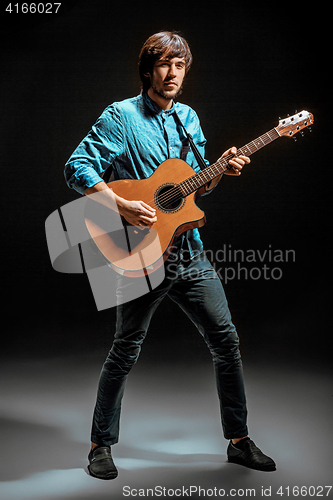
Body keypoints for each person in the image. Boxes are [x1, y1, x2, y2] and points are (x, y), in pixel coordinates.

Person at [64, 31, 276, 480]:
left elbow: (194, 189)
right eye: (165, 64)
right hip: (139, 254)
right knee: (125, 350)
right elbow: (76, 167)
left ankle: (238, 441)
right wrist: (118, 203)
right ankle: (100, 446)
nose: (173, 73)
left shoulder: (188, 119)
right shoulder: (119, 117)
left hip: (189, 254)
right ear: (148, 69)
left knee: (227, 342)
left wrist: (221, 171)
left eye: (180, 66)